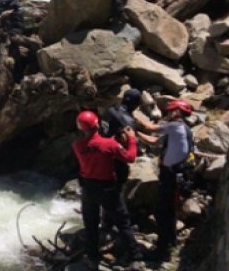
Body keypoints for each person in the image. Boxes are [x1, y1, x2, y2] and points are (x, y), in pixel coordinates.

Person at [73, 110, 141, 269]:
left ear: (81, 128)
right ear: (97, 124)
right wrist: (131, 139)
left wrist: (112, 142)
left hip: (88, 189)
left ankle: (92, 258)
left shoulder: (77, 146)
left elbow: (96, 147)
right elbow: (130, 157)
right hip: (107, 189)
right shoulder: (109, 145)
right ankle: (134, 257)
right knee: (123, 223)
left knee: (90, 224)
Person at [135, 99, 196, 262]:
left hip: (171, 176)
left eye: (171, 112)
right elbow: (153, 141)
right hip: (175, 176)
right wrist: (135, 134)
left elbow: (151, 128)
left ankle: (162, 251)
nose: (168, 115)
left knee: (163, 212)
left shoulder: (176, 126)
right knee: (170, 210)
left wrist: (135, 117)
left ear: (176, 113)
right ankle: (170, 241)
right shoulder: (183, 130)